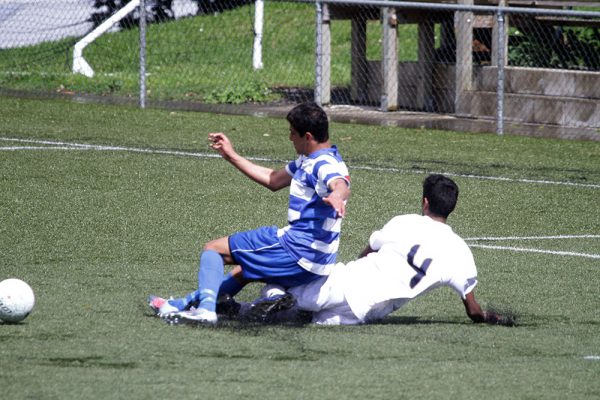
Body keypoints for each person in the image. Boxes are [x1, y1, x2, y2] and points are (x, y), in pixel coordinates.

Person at [148, 101, 351, 325]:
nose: (290, 138)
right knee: (244, 270)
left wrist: (337, 195)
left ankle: (205, 311)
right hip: (317, 261)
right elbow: (274, 180)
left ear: (308, 136)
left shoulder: (322, 164)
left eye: (293, 133)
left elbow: (339, 183)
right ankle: (183, 304)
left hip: (297, 252)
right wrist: (231, 155)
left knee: (213, 249)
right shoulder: (312, 158)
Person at [248, 174, 514, 326]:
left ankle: (268, 298)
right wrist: (493, 317)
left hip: (349, 283)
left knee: (276, 288)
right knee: (305, 322)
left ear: (424, 202)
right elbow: (473, 310)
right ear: (451, 207)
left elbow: (367, 252)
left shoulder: (404, 221)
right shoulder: (461, 253)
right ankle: (290, 308)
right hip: (367, 311)